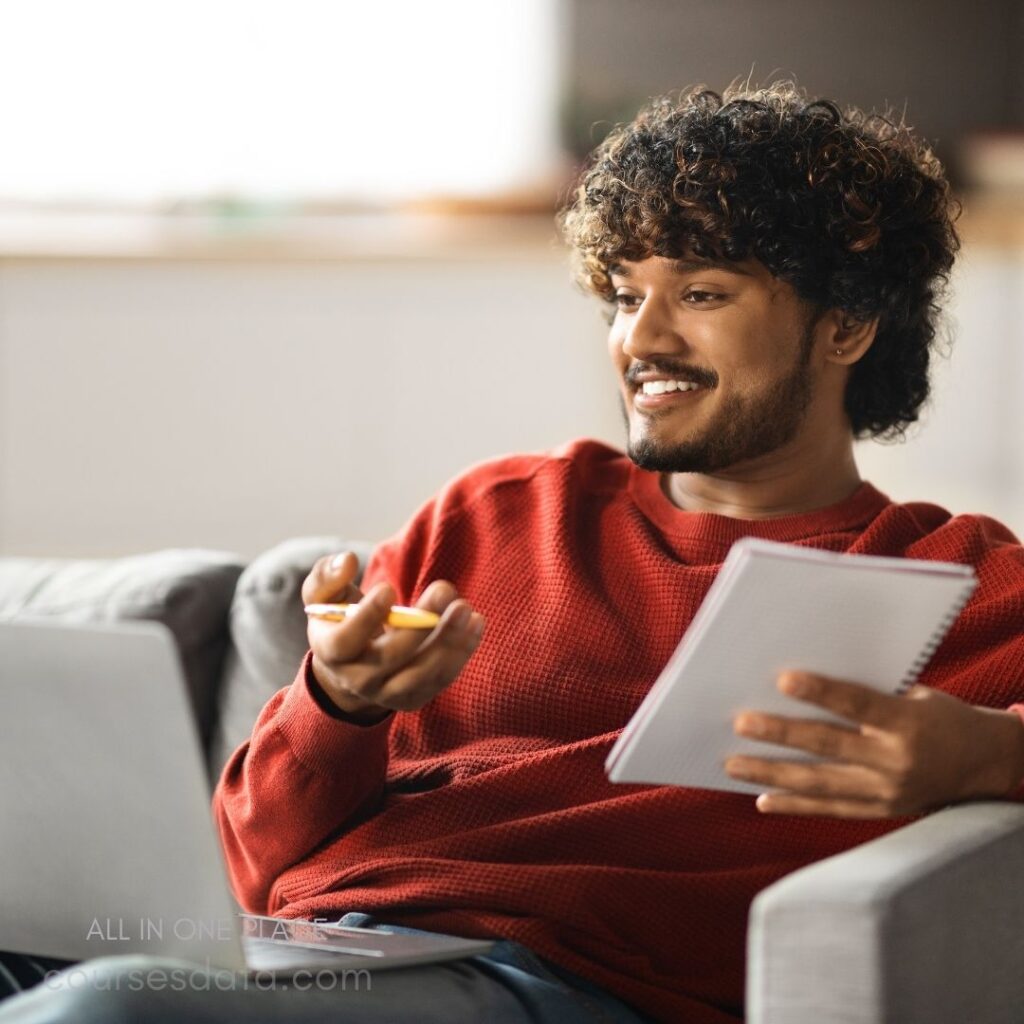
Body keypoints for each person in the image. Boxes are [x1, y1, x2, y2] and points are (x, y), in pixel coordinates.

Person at [3, 78, 1024, 1024]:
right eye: (624, 295)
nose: (642, 339)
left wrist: (982, 752)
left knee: (114, 1010)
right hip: (316, 948)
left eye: (701, 294)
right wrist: (339, 704)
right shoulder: (499, 513)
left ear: (844, 324)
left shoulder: (952, 577)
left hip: (544, 983)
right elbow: (244, 867)